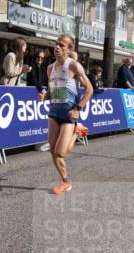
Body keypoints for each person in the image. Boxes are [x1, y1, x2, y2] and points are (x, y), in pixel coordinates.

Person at [38, 35, 93, 195]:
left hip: (69, 113)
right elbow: (53, 90)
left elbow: (89, 89)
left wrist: (78, 109)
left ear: (69, 50)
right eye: (56, 44)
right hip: (54, 112)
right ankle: (66, 182)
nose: (57, 47)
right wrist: (44, 96)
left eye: (61, 45)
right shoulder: (50, 68)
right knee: (53, 152)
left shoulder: (74, 66)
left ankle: (76, 132)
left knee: (60, 152)